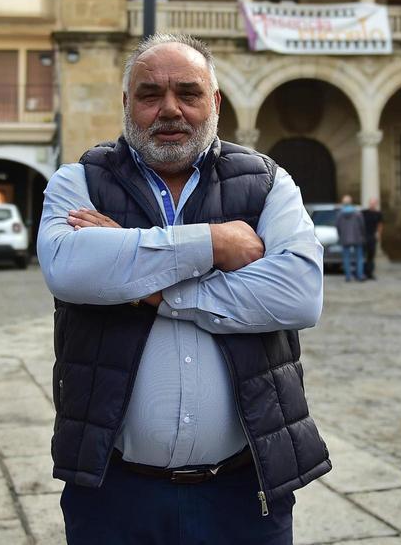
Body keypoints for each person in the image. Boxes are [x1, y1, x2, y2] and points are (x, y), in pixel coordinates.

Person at [38, 33, 329, 544]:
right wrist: (215, 243)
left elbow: (299, 294)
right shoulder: (77, 181)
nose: (170, 109)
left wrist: (147, 283)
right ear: (127, 103)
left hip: (244, 493)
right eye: (150, 94)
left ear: (215, 102)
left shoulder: (267, 182)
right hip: (113, 494)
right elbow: (68, 268)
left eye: (188, 93)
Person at [335, 195, 366, 283]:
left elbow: (337, 226)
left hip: (345, 238)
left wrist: (340, 235)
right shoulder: (357, 213)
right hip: (357, 237)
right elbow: (362, 225)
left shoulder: (340, 214)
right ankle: (359, 275)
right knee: (359, 258)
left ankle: (348, 276)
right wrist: (362, 235)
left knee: (346, 258)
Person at [361, 198, 384, 280]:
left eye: (374, 203)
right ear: (369, 204)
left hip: (372, 236)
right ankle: (362, 272)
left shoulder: (378, 214)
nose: (372, 205)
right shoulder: (363, 212)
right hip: (364, 236)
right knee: (363, 255)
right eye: (371, 203)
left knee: (371, 255)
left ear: (376, 204)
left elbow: (380, 225)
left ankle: (369, 273)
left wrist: (378, 235)